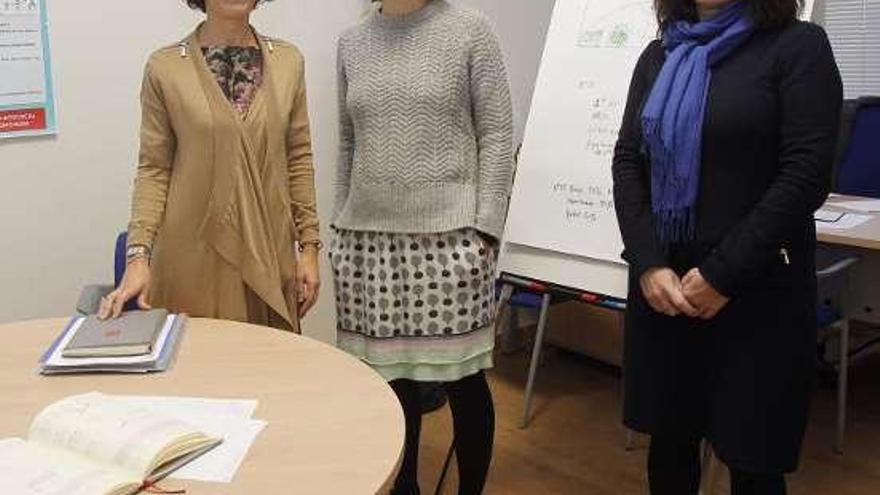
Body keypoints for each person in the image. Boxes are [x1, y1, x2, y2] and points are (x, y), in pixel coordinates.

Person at [613, 0, 842, 493]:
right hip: (666, 292)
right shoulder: (660, 55)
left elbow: (806, 173)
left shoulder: (798, 47)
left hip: (757, 292)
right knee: (670, 449)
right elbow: (629, 163)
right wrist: (649, 263)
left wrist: (723, 274)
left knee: (753, 462)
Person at [331, 0, 515, 493]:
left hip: (450, 242)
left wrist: (487, 229)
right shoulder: (352, 41)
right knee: (394, 385)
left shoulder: (470, 30)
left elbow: (497, 133)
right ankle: (404, 487)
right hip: (368, 246)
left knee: (464, 382)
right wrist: (338, 226)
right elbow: (347, 142)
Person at [100, 0, 321, 332]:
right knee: (200, 371)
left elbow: (298, 157)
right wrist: (138, 257)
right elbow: (154, 169)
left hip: (270, 250)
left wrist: (309, 247)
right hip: (193, 254)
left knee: (270, 372)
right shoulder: (166, 67)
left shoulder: (288, 61)